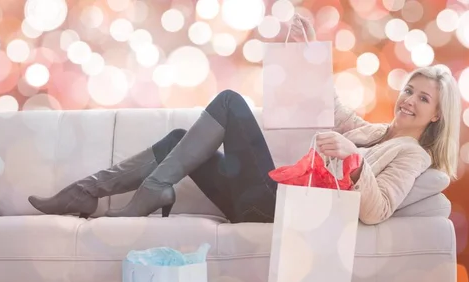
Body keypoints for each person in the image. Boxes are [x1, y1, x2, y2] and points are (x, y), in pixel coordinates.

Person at [28, 15, 462, 225]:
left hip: (279, 210)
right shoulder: (376, 131)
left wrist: (356, 160)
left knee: (231, 102)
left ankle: (150, 194)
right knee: (183, 139)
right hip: (253, 206)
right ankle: (88, 192)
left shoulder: (413, 155)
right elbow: (332, 108)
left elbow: (378, 210)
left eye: (423, 98)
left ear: (438, 114)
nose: (409, 100)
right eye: (409, 89)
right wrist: (303, 53)